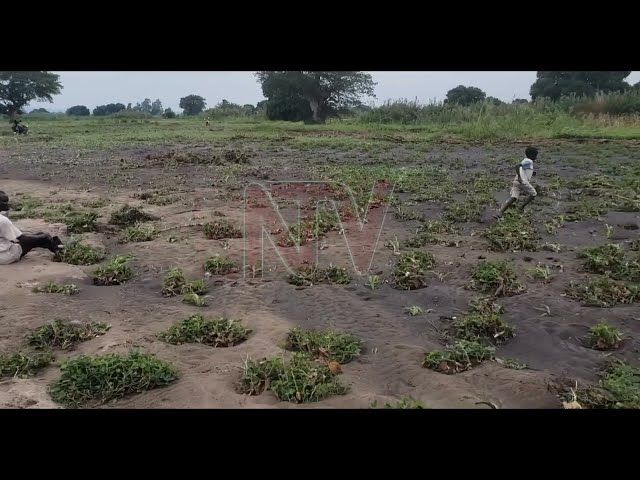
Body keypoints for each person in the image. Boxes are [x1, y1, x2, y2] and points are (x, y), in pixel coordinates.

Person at [0, 191, 63, 265]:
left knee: (36, 236)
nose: (7, 204)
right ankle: (61, 252)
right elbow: (24, 239)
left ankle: (55, 247)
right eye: (4, 201)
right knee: (40, 238)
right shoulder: (3, 220)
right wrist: (43, 236)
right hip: (5, 256)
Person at [495, 146, 539, 218]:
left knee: (514, 198)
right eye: (536, 156)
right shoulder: (529, 161)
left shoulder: (527, 161)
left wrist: (531, 173)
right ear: (532, 155)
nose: (536, 157)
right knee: (534, 194)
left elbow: (523, 169)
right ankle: (521, 208)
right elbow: (518, 166)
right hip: (522, 182)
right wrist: (520, 177)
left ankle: (500, 212)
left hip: (516, 182)